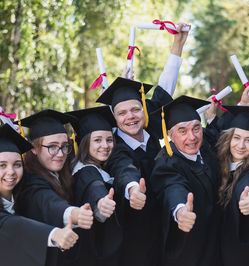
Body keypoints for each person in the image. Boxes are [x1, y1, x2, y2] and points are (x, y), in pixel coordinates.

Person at [96, 24, 190, 266]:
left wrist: (178, 45)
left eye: (136, 109)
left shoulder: (151, 134)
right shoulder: (115, 148)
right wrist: (132, 190)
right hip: (134, 242)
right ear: (114, 119)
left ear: (144, 111)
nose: (131, 117)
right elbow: (123, 169)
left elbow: (164, 89)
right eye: (122, 113)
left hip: (166, 232)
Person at [0, 124, 78, 266]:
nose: (11, 171)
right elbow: (8, 225)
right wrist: (52, 234)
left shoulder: (21, 196)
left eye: (17, 164)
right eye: (2, 165)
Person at [14, 109, 94, 266]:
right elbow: (47, 203)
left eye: (65, 146)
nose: (60, 153)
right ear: (34, 148)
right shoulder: (29, 181)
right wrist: (74, 213)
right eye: (52, 146)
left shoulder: (63, 174)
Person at [150, 96, 220, 266]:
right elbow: (172, 187)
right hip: (189, 255)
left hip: (215, 249)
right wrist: (181, 210)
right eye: (182, 131)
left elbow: (215, 133)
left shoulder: (204, 147)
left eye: (196, 128)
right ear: (170, 135)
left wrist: (243, 105)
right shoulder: (166, 163)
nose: (192, 137)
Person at [67, 106, 122, 265]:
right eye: (97, 140)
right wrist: (101, 202)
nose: (105, 145)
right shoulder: (87, 171)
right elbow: (93, 187)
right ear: (85, 142)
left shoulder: (89, 167)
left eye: (109, 139)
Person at [215, 106, 249, 266]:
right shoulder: (218, 164)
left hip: (243, 255)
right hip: (216, 251)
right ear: (229, 138)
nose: (241, 145)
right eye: (237, 137)